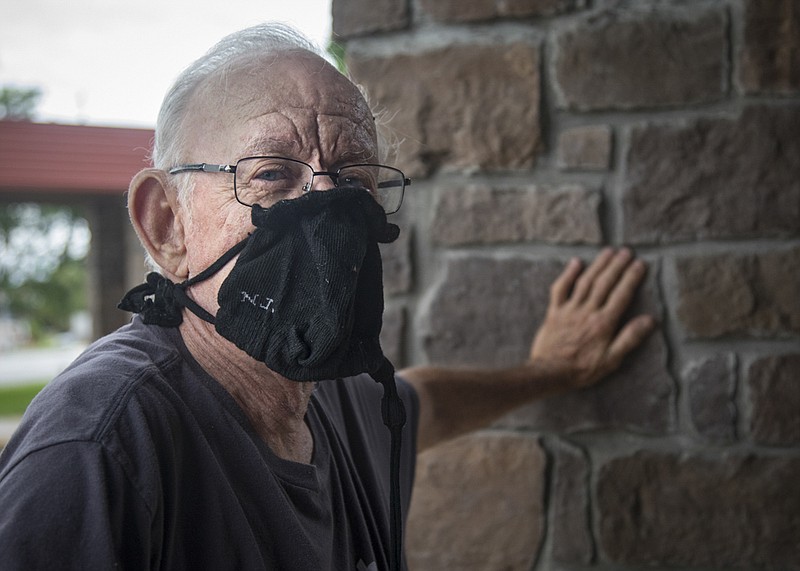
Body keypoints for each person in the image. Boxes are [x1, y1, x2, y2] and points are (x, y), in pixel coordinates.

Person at [0, 23, 654, 570]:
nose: (326, 204)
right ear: (167, 223)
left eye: (352, 176)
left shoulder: (333, 394)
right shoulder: (100, 449)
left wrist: (553, 371)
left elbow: (427, 401)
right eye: (273, 174)